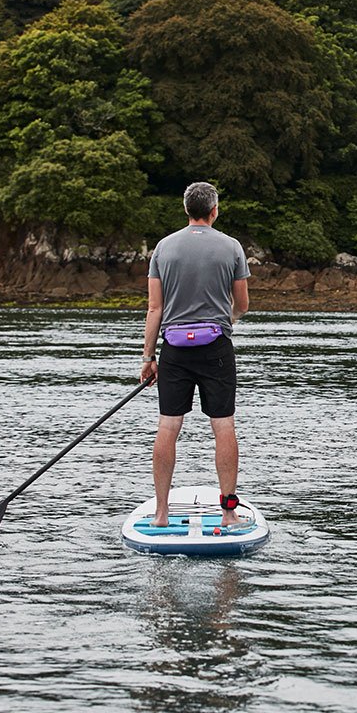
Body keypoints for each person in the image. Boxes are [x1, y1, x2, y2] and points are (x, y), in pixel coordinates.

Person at [140, 182, 250, 529]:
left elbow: (154, 308)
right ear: (214, 210)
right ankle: (229, 512)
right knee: (223, 425)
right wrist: (224, 321)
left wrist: (148, 358)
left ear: (187, 210)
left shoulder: (163, 248)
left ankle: (161, 513)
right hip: (216, 347)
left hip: (174, 349)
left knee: (168, 426)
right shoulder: (231, 247)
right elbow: (242, 305)